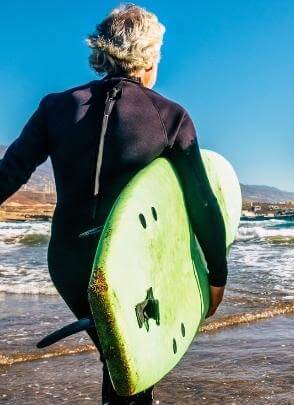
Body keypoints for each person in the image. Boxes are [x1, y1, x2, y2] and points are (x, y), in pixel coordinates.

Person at [0, 5, 227, 404]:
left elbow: (10, 172)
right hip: (130, 261)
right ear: (150, 56)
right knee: (135, 365)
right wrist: (216, 276)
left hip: (69, 263)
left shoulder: (56, 106)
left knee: (120, 358)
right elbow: (203, 203)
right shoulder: (169, 116)